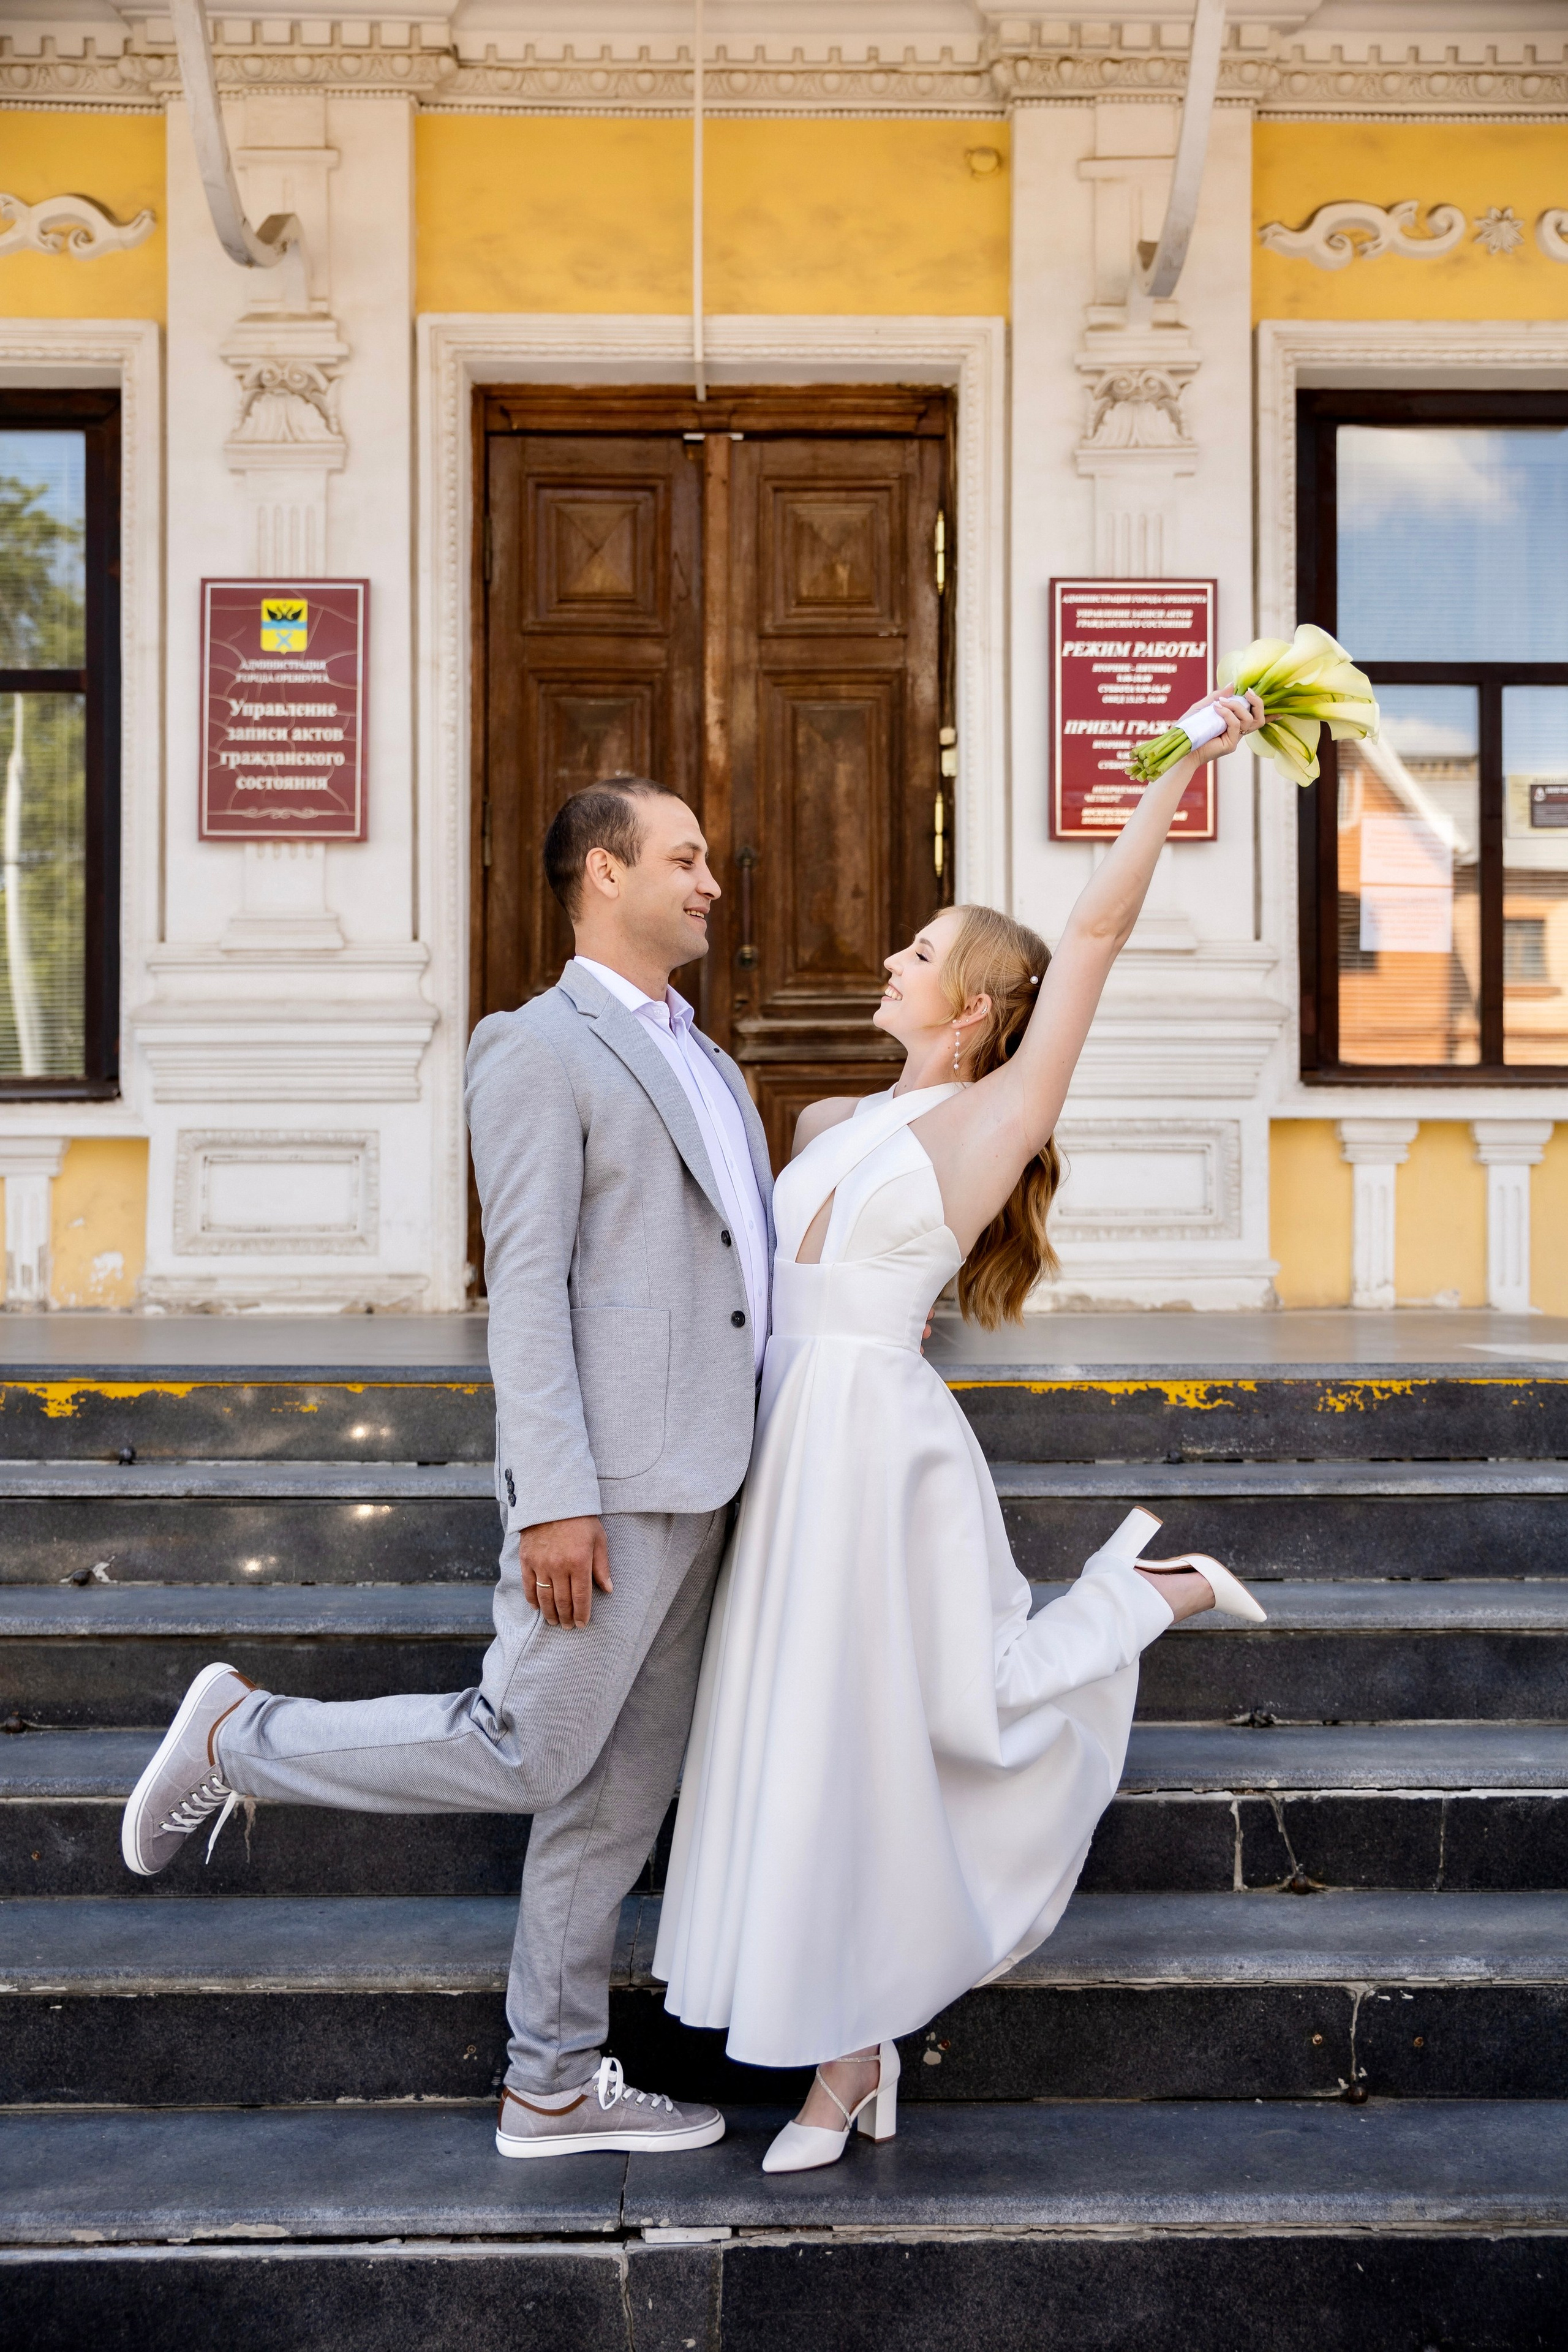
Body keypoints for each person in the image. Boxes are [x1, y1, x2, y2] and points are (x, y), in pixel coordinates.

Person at [655, 688, 1271, 2173]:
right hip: (784, 1446)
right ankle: (846, 2055)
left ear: (976, 1007)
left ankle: (1149, 1593)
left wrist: (1176, 761)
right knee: (798, 1736)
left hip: (876, 1452)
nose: (888, 959)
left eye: (920, 953)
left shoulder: (987, 1123)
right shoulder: (815, 1128)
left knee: (893, 1726)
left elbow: (1098, 942)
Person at [120, 777, 774, 2162]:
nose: (710, 883)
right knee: (522, 1747)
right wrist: (553, 1494)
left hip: (711, 1482)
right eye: (685, 859)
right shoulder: (536, 1047)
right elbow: (524, 1288)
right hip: (607, 1482)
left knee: (614, 1802)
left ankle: (548, 2082)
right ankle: (242, 1733)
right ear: (603, 871)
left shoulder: (709, 1061)